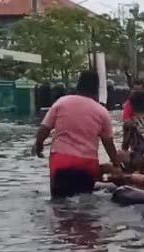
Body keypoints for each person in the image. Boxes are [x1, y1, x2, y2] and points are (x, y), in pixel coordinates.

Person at [33, 70, 121, 198]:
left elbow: (44, 129)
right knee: (84, 203)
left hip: (61, 161)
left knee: (58, 202)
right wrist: (117, 165)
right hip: (87, 164)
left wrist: (38, 146)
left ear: (78, 85)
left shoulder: (61, 103)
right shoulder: (102, 112)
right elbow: (108, 143)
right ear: (96, 88)